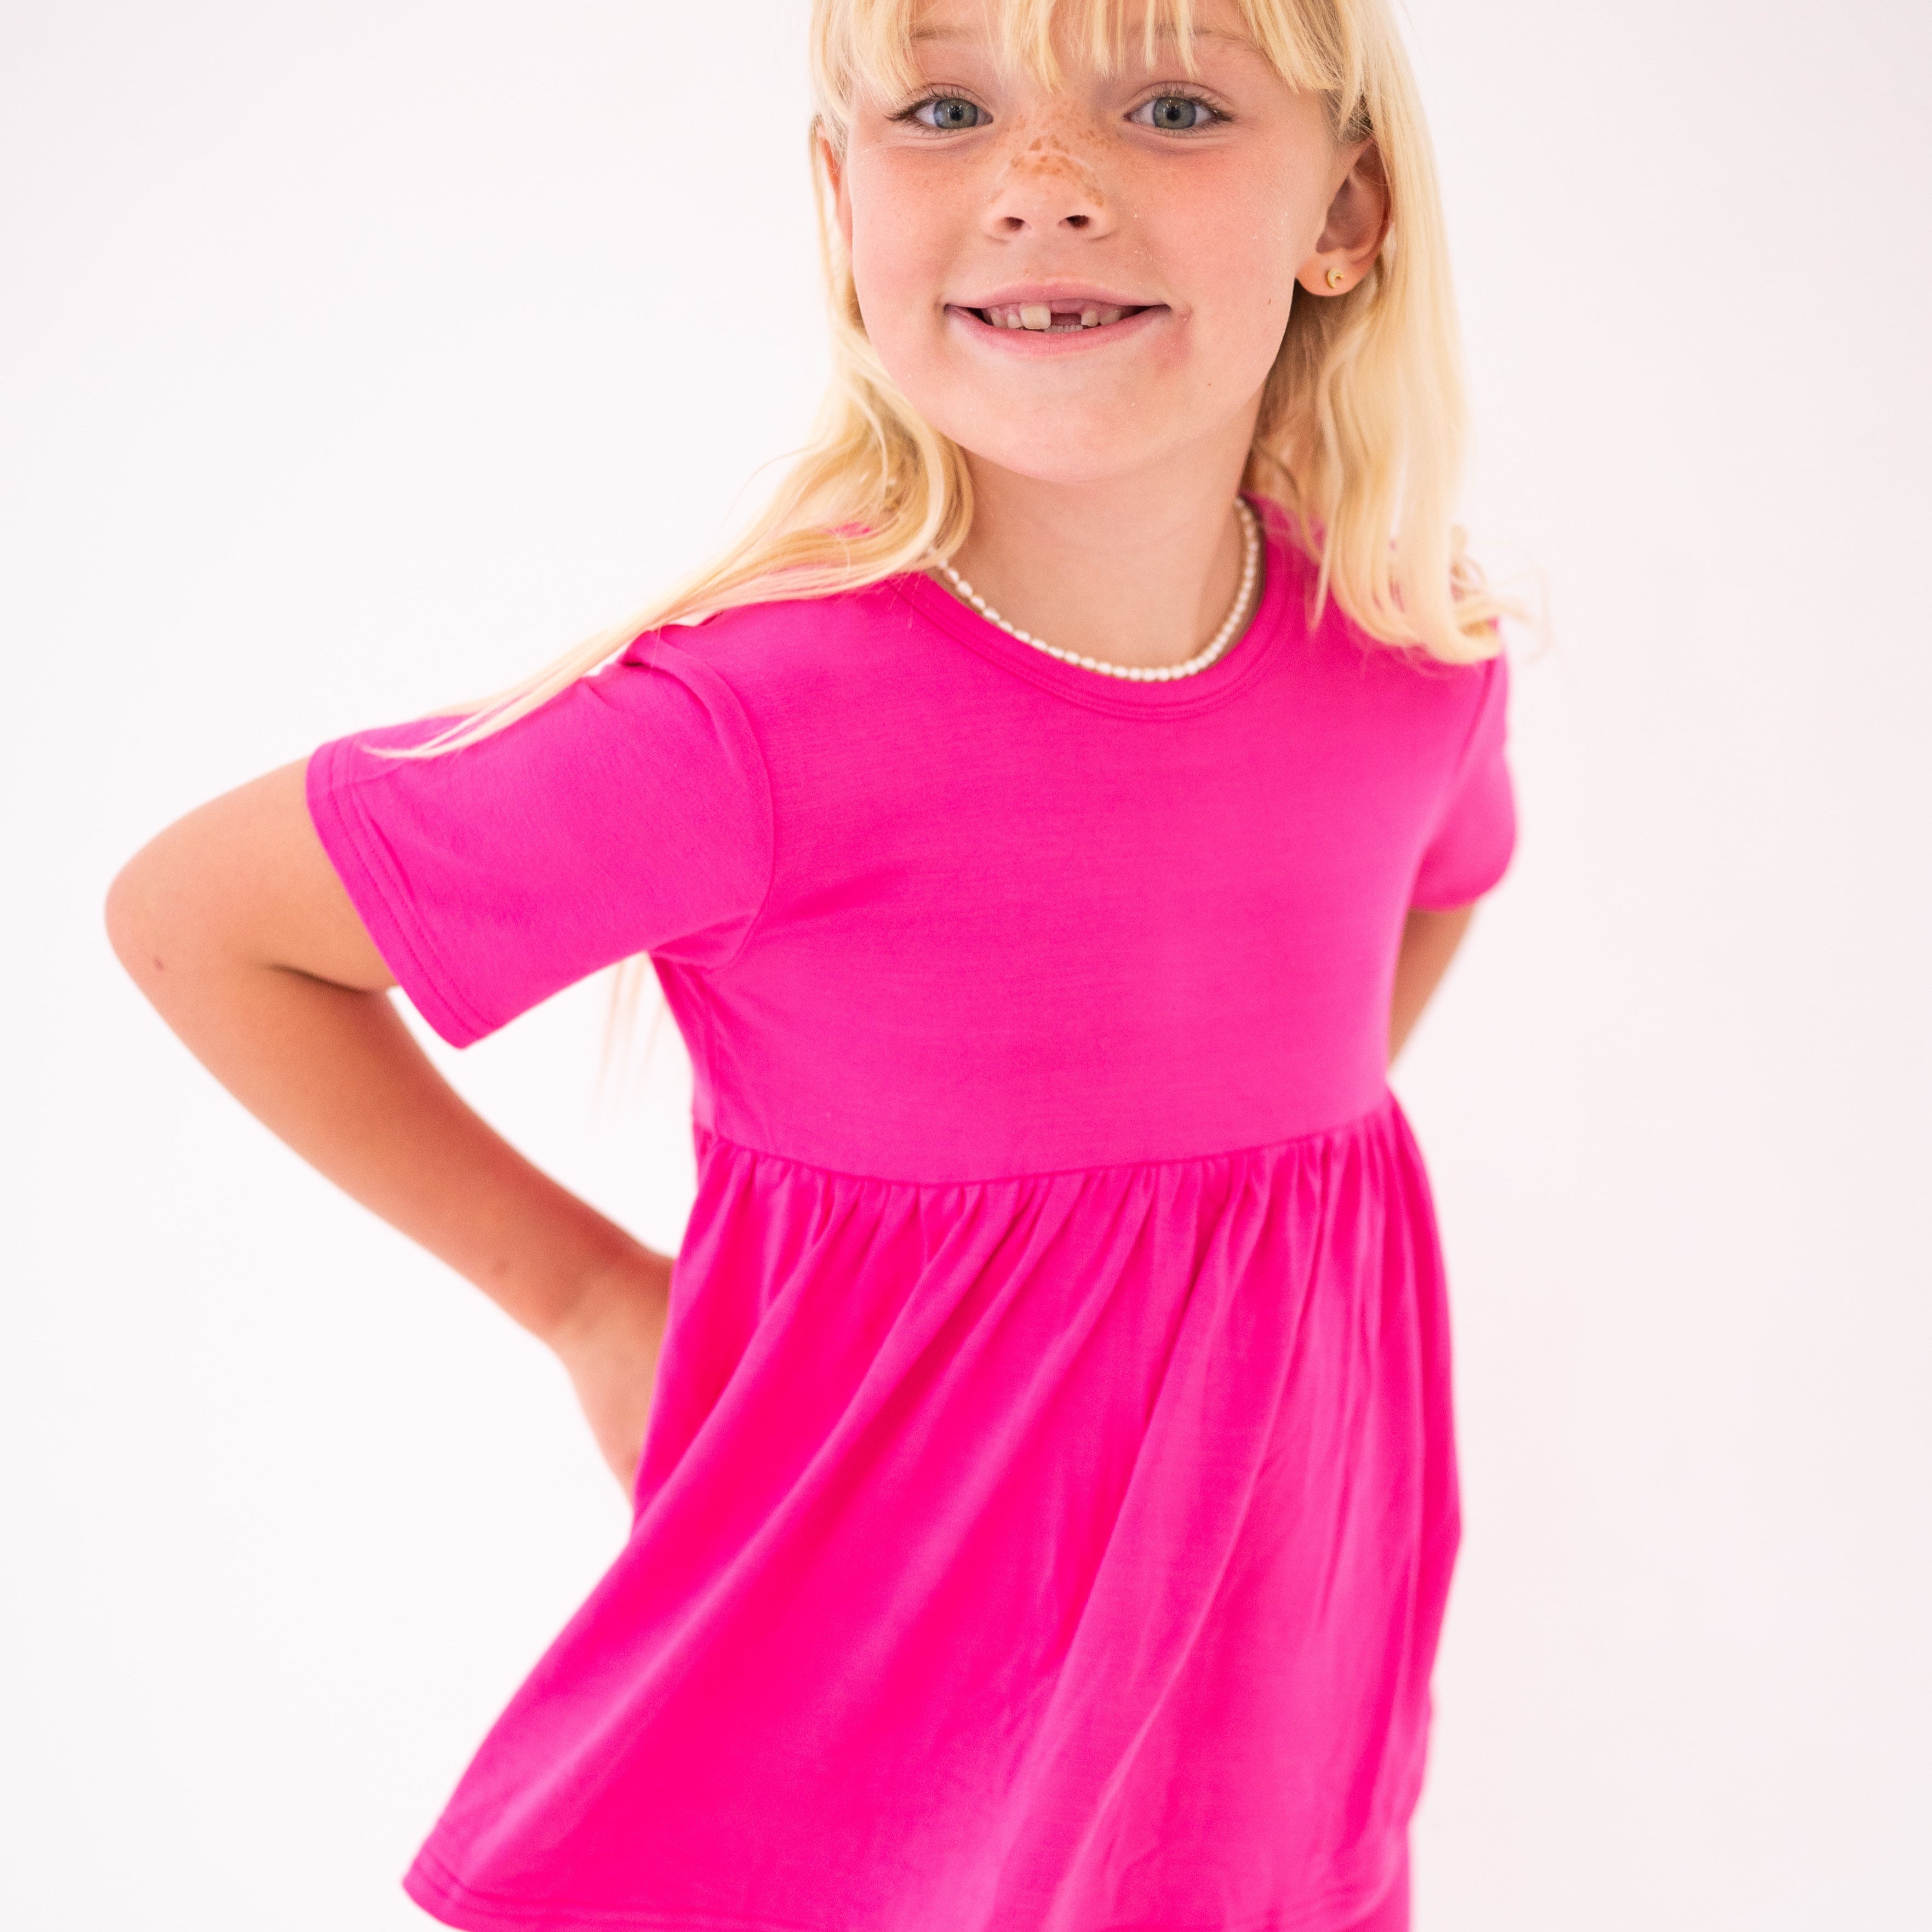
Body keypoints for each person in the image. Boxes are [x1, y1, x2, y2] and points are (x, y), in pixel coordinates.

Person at [106, 1, 1519, 1927]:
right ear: (841, 194)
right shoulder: (750, 729)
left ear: (1343, 209)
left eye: (1170, 106)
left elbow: (1435, 886)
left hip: (1260, 1669)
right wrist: (599, 1307)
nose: (1046, 186)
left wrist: (1240, 1216)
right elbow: (204, 921)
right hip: (857, 1740)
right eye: (946, 109)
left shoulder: (1406, 655)